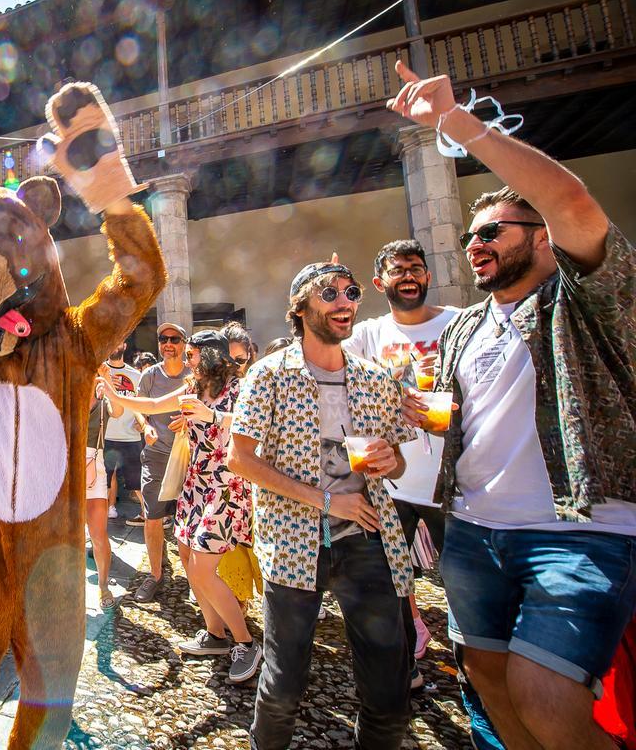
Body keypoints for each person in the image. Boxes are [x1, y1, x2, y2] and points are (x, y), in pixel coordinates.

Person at [390, 59, 636, 749]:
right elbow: (457, 421)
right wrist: (408, 424)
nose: (476, 243)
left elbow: (575, 202)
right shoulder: (468, 324)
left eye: (494, 230)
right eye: (471, 236)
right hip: (473, 530)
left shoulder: (585, 299)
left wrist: (455, 123)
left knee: (548, 697)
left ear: (541, 235)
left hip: (577, 531)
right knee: (491, 684)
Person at [228, 262, 415, 749]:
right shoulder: (268, 375)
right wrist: (327, 500)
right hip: (294, 543)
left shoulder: (375, 379)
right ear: (300, 308)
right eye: (329, 292)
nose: (344, 300)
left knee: (389, 693)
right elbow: (240, 459)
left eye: (351, 291)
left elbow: (396, 464)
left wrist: (389, 459)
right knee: (283, 685)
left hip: (369, 540)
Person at [105, 329, 261, 682]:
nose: (185, 361)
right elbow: (154, 405)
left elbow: (252, 425)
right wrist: (116, 394)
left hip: (225, 485)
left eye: (191, 355)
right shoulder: (192, 388)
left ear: (208, 357)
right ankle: (215, 635)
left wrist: (212, 416)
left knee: (205, 568)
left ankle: (247, 643)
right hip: (196, 482)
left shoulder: (238, 389)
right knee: (188, 558)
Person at [344, 239, 459, 671]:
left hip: (453, 480)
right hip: (391, 479)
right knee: (393, 572)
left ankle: (473, 654)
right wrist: (328, 292)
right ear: (380, 281)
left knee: (461, 579)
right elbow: (320, 351)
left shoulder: (458, 324)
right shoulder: (370, 334)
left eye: (416, 267)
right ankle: (408, 642)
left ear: (427, 275)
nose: (408, 275)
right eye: (398, 270)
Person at [127, 322, 189, 603]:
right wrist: (146, 425)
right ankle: (155, 575)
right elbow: (141, 409)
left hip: (189, 455)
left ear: (184, 343)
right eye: (163, 339)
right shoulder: (150, 376)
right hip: (156, 454)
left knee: (189, 518)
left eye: (174, 339)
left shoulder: (193, 375)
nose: (168, 343)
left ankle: (196, 577)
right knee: (152, 517)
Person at [86, 369, 124, 609]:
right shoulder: (66, 392)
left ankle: (103, 586)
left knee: (99, 534)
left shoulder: (103, 398)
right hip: (63, 463)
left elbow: (119, 410)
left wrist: (107, 379)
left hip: (93, 464)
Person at [102, 342, 142, 521]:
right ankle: (102, 517)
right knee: (103, 483)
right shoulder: (98, 372)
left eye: (118, 340)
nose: (113, 345)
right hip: (104, 437)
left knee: (138, 482)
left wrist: (144, 422)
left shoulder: (136, 375)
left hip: (131, 437)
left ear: (125, 345)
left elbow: (143, 403)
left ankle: (151, 517)